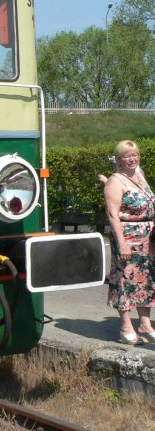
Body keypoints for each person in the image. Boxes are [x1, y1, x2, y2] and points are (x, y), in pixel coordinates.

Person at [103, 140, 155, 344]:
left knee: (146, 280)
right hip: (127, 236)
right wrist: (122, 243)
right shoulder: (115, 181)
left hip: (147, 239)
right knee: (125, 280)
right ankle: (125, 327)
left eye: (135, 155)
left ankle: (144, 324)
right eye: (127, 156)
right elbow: (112, 214)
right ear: (118, 160)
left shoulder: (140, 177)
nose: (132, 159)